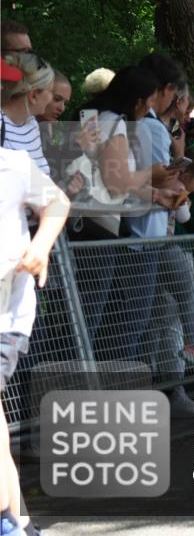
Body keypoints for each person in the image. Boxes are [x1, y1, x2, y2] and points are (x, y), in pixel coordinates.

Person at [2, 145, 70, 536]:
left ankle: (8, 523)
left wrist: (40, 247)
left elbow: (57, 201)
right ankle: (18, 524)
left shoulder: (12, 164)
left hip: (6, 316)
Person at [1, 52, 54, 174]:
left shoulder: (31, 124)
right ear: (33, 95)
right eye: (51, 91)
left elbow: (41, 172)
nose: (51, 99)